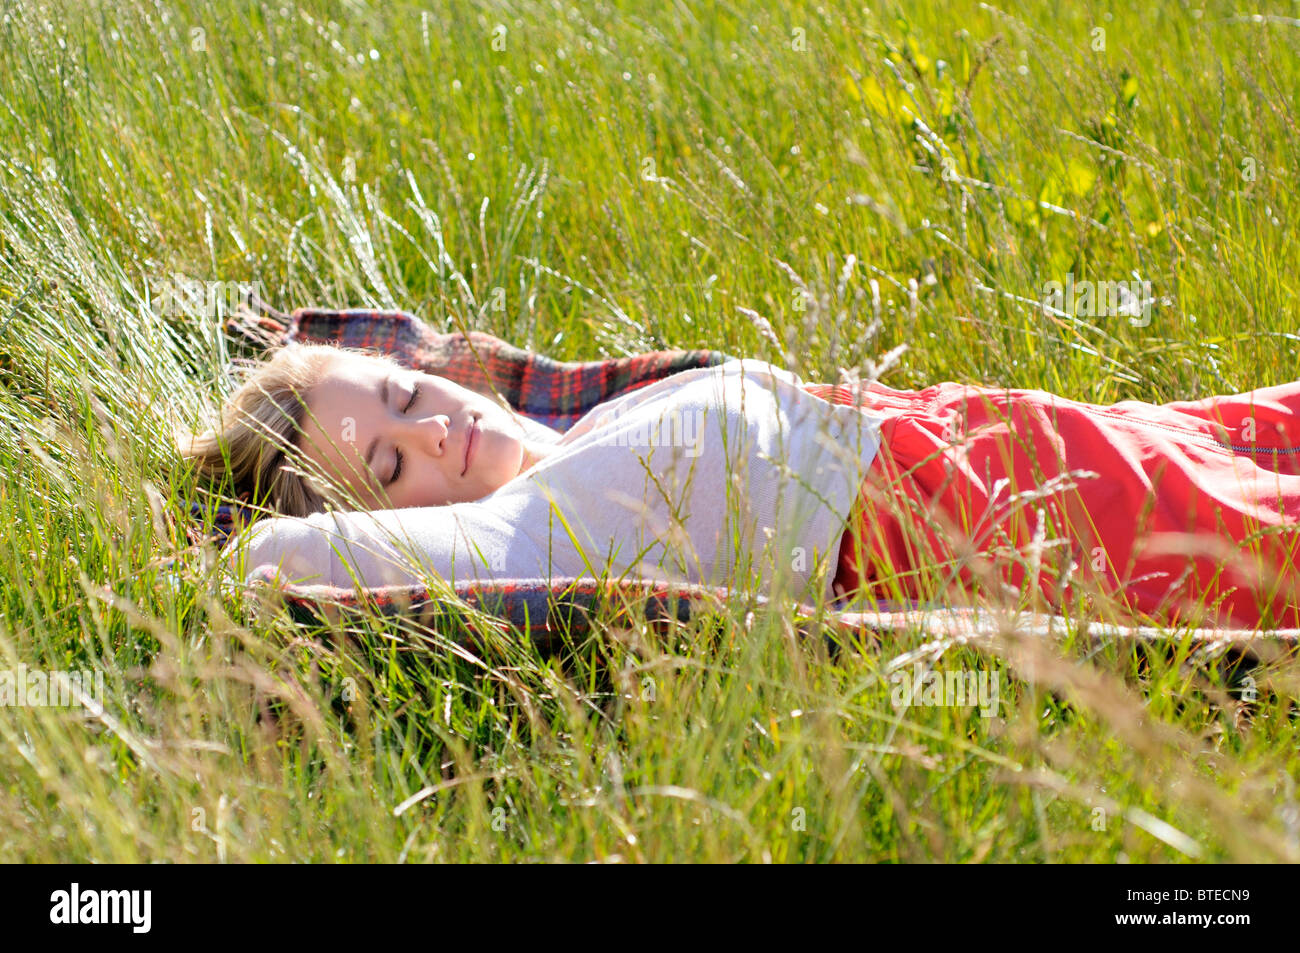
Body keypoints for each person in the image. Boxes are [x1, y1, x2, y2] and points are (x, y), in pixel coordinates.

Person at [178, 341, 1300, 629]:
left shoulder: (571, 423)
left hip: (999, 437)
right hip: (987, 521)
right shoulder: (521, 530)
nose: (435, 432)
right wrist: (214, 554)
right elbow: (272, 563)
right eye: (389, 465)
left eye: (404, 394)